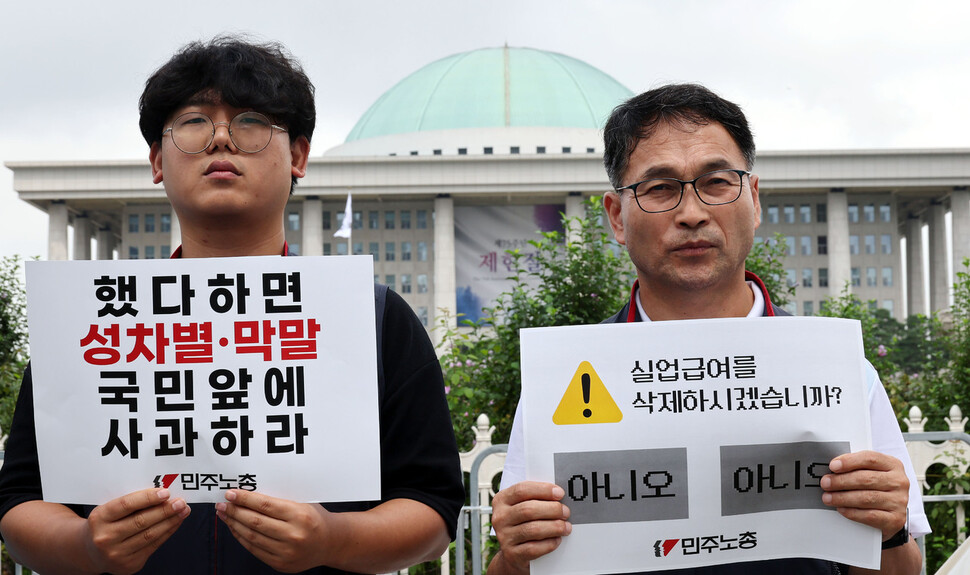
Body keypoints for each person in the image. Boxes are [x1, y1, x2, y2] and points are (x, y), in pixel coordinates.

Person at [0, 37, 463, 575]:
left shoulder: (373, 317)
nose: (221, 138)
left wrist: (334, 538)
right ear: (156, 160)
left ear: (298, 156)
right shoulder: (90, 321)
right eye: (193, 122)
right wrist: (85, 545)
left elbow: (432, 508)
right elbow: (21, 504)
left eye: (249, 121)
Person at [487, 84, 927, 575]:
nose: (692, 213)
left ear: (754, 200)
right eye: (660, 188)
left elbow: (903, 568)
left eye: (717, 182)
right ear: (616, 217)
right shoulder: (562, 384)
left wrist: (889, 531)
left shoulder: (840, 373)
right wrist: (515, 552)